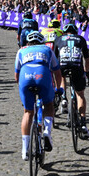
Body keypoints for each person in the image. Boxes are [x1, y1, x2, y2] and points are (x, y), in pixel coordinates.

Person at [15, 30, 62, 160]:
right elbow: (57, 72)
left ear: (27, 42)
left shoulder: (21, 51)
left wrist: (24, 91)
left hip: (25, 78)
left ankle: (25, 149)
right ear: (42, 41)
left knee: (28, 112)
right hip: (43, 76)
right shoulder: (47, 49)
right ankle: (47, 130)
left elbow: (16, 76)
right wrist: (58, 89)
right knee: (48, 105)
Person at [54, 23, 89, 138]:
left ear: (65, 32)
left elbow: (54, 60)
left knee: (62, 76)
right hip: (77, 67)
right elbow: (87, 60)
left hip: (62, 66)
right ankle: (83, 123)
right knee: (80, 94)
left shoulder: (59, 39)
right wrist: (86, 71)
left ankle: (63, 97)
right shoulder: (81, 39)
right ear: (75, 32)